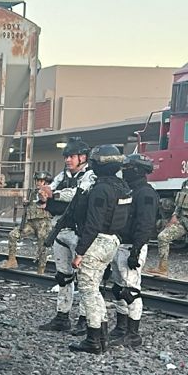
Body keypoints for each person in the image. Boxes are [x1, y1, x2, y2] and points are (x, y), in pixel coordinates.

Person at [68, 145, 131, 354]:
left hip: (96, 242)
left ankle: (93, 339)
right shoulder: (123, 186)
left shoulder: (100, 189)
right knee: (96, 291)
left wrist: (80, 252)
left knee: (89, 290)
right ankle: (102, 336)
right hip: (113, 241)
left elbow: (93, 223)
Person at [37, 141, 93, 331]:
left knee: (85, 278)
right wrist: (46, 195)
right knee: (63, 276)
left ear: (83, 157)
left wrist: (54, 196)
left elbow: (78, 195)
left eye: (71, 156)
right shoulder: (63, 175)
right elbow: (48, 192)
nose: (68, 160)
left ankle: (85, 319)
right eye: (66, 156)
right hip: (60, 229)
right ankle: (62, 316)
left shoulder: (90, 175)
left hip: (80, 231)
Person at [107, 154, 159, 348]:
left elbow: (145, 224)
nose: (125, 171)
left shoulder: (145, 193)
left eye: (129, 167)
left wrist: (136, 251)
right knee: (119, 288)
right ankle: (121, 327)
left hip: (131, 246)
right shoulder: (128, 190)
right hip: (120, 244)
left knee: (132, 290)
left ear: (138, 170)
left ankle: (133, 333)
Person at [2, 172, 53, 273]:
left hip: (43, 222)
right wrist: (27, 203)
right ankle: (12, 260)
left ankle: (41, 270)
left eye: (41, 181)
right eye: (37, 181)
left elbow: (49, 203)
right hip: (30, 222)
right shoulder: (32, 192)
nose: (38, 183)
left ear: (46, 182)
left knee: (42, 247)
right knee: (13, 235)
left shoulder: (50, 191)